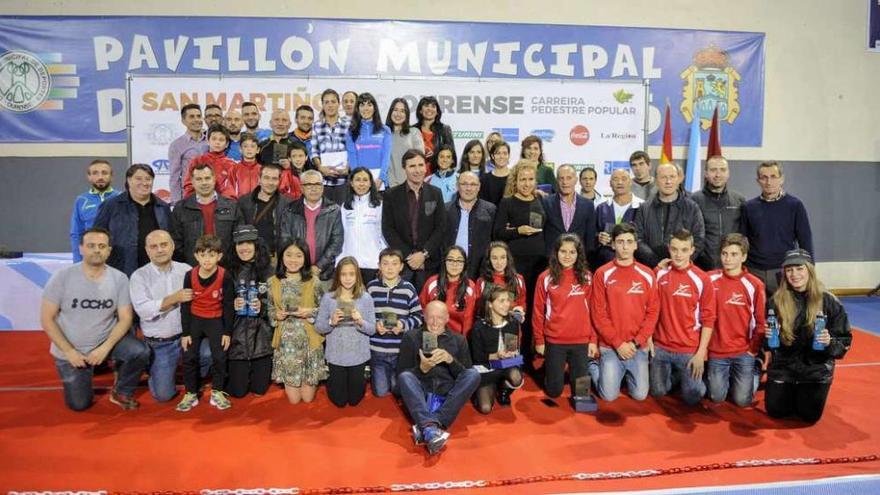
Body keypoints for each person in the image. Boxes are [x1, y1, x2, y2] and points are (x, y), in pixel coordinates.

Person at [40, 227, 149, 411]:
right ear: (81, 248)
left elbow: (125, 318)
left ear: (109, 250)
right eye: (91, 246)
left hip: (104, 343)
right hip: (71, 350)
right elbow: (47, 319)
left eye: (101, 246)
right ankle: (81, 377)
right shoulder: (62, 277)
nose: (97, 250)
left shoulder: (119, 278)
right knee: (79, 404)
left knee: (140, 351)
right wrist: (69, 352)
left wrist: (104, 348)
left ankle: (121, 390)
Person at [764, 249, 852, 423]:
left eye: (799, 268)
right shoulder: (775, 301)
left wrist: (829, 342)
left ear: (809, 270)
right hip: (784, 367)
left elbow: (844, 341)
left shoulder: (828, 301)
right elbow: (770, 346)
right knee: (776, 411)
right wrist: (767, 338)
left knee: (808, 415)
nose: (794, 274)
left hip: (816, 370)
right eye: (789, 270)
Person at [397, 301, 480, 455]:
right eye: (431, 317)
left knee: (473, 374)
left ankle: (428, 426)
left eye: (440, 318)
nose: (435, 323)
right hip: (421, 395)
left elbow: (465, 376)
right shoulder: (411, 337)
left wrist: (450, 360)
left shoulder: (459, 340)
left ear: (447, 318)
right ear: (424, 317)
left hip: (448, 396)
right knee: (405, 376)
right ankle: (432, 428)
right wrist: (422, 369)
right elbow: (400, 380)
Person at [590, 223, 659, 402]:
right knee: (608, 396)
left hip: (637, 347)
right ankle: (593, 366)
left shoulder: (647, 274)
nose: (625, 246)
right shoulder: (602, 274)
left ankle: (622, 372)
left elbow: (652, 313)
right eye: (620, 242)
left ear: (636, 245)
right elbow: (598, 314)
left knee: (640, 395)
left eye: (629, 242)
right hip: (611, 346)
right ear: (612, 245)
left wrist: (636, 343)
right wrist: (618, 343)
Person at [649, 229, 716, 405]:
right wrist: (649, 338)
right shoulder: (659, 274)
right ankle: (678, 375)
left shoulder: (702, 278)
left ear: (692, 250)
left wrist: (701, 353)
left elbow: (709, 318)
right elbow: (648, 309)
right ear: (668, 249)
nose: (678, 255)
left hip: (688, 349)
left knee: (692, 397)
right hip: (661, 347)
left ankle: (696, 379)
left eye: (684, 250)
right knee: (658, 392)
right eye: (674, 249)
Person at [129, 230, 191, 403]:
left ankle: (187, 369)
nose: (160, 250)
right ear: (147, 250)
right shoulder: (139, 276)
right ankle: (154, 366)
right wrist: (175, 298)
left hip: (188, 338)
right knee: (163, 395)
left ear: (172, 247)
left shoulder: (186, 270)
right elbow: (144, 310)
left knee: (209, 354)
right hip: (161, 343)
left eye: (164, 245)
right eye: (154, 246)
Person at [533, 234, 597, 399]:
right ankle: (552, 369)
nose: (567, 256)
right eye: (563, 251)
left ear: (578, 254)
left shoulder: (587, 277)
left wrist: (593, 340)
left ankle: (579, 368)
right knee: (554, 392)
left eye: (572, 252)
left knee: (582, 393)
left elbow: (594, 311)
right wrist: (539, 341)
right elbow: (538, 311)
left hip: (581, 341)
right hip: (555, 340)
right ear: (556, 253)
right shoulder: (545, 278)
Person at [493, 160, 546, 360]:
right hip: (517, 265)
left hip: (539, 265)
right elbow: (497, 232)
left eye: (530, 179)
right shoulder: (507, 202)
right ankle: (513, 355)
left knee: (534, 311)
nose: (526, 183)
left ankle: (529, 354)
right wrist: (518, 231)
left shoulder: (541, 200)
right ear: (515, 181)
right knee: (514, 311)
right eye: (522, 179)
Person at [176, 234, 235, 412]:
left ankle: (217, 391)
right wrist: (185, 333)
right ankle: (191, 392)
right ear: (196, 256)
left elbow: (228, 306)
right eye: (203, 255)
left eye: (211, 255)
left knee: (219, 356)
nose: (207, 259)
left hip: (215, 318)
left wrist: (227, 332)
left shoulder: (225, 276)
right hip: (195, 319)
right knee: (189, 355)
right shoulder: (189, 275)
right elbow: (185, 306)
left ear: (219, 256)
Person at [706, 233, 766, 407]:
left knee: (742, 401)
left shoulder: (755, 284)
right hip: (717, 351)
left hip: (743, 351)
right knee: (716, 397)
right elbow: (687, 273)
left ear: (744, 256)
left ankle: (755, 370)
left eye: (734, 254)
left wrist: (752, 350)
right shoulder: (709, 279)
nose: (728, 259)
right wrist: (663, 266)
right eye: (724, 253)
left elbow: (761, 322)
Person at [742, 161, 814, 297]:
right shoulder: (749, 207)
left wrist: (810, 271)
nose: (769, 182)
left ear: (782, 179)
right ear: (758, 181)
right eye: (764, 177)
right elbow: (743, 241)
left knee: (785, 314)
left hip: (783, 271)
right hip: (753, 271)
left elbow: (805, 240)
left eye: (773, 176)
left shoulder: (795, 205)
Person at [269, 240, 327, 404]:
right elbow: (269, 310)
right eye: (288, 255)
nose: (293, 260)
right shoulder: (273, 281)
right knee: (294, 401)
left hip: (310, 339)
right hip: (286, 343)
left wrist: (309, 312)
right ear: (282, 257)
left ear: (305, 258)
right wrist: (276, 315)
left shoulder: (314, 281)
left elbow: (324, 311)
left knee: (308, 399)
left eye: (298, 255)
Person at [381, 149, 447, 292]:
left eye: (420, 165)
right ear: (404, 168)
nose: (417, 170)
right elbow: (388, 229)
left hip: (429, 264)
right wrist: (410, 257)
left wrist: (423, 255)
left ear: (426, 167)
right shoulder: (391, 195)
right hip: (403, 264)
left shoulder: (436, 193)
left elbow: (441, 227)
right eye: (412, 166)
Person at [315, 257, 377, 408]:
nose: (348, 278)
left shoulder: (366, 298)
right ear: (338, 276)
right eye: (344, 274)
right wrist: (331, 322)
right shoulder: (328, 298)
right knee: (339, 401)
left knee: (355, 400)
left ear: (357, 276)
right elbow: (319, 327)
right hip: (336, 355)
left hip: (358, 355)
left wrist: (361, 321)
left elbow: (372, 330)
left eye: (352, 274)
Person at [93, 164, 172, 277]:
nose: (144, 183)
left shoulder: (163, 207)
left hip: (156, 273)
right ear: (129, 180)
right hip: (120, 271)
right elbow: (96, 237)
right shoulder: (110, 206)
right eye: (138, 179)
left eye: (148, 179)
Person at [367, 248, 425, 398]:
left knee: (397, 390)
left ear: (401, 266)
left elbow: (419, 316)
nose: (390, 268)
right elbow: (365, 315)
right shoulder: (371, 287)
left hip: (399, 350)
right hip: (377, 349)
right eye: (385, 264)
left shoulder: (408, 289)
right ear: (379, 266)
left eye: (394, 264)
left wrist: (403, 325)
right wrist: (375, 325)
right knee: (381, 393)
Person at [226, 225, 274, 398]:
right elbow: (217, 305)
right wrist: (231, 305)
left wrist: (263, 307)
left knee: (259, 390)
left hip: (262, 341)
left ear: (256, 245)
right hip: (236, 340)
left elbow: (279, 307)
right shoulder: (227, 271)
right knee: (237, 392)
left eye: (248, 243)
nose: (244, 247)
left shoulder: (270, 271)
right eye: (239, 243)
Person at [634, 162, 705, 268]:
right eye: (663, 177)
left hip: (682, 270)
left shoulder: (692, 208)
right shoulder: (644, 208)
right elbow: (638, 239)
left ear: (678, 179)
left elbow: (698, 240)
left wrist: (679, 262)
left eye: (672, 177)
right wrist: (655, 263)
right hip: (652, 269)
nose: (668, 182)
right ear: (656, 180)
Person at [171, 163, 241, 267]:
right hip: (192, 269)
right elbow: (176, 242)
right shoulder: (180, 208)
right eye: (199, 179)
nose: (204, 183)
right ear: (192, 182)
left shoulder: (232, 206)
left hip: (226, 269)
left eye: (207, 178)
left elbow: (239, 239)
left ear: (214, 179)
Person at [282, 170, 344, 284]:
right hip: (295, 271)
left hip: (324, 273)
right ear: (301, 188)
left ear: (322, 187)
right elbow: (285, 240)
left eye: (317, 184)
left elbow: (337, 242)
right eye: (309, 185)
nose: (313, 188)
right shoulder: (290, 210)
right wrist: (297, 264)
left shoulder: (333, 210)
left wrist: (318, 267)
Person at [469, 286, 524, 413]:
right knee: (485, 408)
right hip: (486, 369)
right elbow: (477, 357)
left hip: (505, 366)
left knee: (516, 377)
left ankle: (504, 390)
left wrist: (511, 353)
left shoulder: (512, 323)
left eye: (507, 300)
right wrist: (497, 355)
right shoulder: (479, 327)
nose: (507, 304)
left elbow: (512, 347)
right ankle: (488, 388)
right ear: (490, 304)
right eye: (501, 301)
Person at [691, 156, 746, 271]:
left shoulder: (739, 200)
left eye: (722, 170)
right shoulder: (693, 200)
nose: (718, 175)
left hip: (732, 267)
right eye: (713, 170)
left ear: (728, 173)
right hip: (702, 267)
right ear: (705, 173)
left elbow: (744, 236)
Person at [444, 171, 496, 280]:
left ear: (479, 187)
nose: (469, 188)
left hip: (480, 270)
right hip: (449, 269)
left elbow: (494, 240)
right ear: (457, 186)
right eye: (464, 184)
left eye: (473, 184)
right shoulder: (445, 209)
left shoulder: (490, 210)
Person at [339, 167, 387, 282]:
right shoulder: (345, 207)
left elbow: (384, 235)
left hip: (373, 264)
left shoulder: (379, 205)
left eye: (365, 180)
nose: (361, 184)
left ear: (371, 183)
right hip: (350, 264)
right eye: (358, 180)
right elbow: (342, 236)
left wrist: (382, 261)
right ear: (351, 183)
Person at [420, 245, 479, 336]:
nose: (454, 264)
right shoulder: (432, 282)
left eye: (459, 261)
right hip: (431, 335)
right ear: (444, 262)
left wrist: (463, 345)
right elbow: (422, 311)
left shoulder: (470, 286)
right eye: (450, 260)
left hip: (456, 340)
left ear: (465, 264)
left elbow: (468, 321)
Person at [237, 163, 293, 258]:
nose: (270, 183)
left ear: (279, 181)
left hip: (275, 257)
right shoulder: (244, 202)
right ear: (259, 179)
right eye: (266, 178)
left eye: (274, 179)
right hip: (250, 257)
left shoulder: (287, 204)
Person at [70, 159, 120, 262]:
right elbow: (76, 233)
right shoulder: (81, 200)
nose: (100, 177)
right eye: (95, 173)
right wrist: (78, 261)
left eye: (104, 173)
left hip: (118, 258)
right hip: (91, 257)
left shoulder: (122, 198)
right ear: (89, 177)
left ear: (111, 176)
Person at [542, 164, 597, 257]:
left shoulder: (588, 205)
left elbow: (590, 239)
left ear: (575, 180)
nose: (565, 182)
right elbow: (541, 234)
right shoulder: (545, 202)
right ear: (557, 181)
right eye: (561, 178)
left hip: (578, 260)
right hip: (551, 260)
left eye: (569, 178)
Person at [594, 169, 643, 267]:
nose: (620, 182)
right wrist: (598, 237)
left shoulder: (642, 206)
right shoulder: (601, 207)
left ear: (630, 182)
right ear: (610, 183)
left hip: (635, 261)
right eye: (615, 179)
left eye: (624, 179)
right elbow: (593, 232)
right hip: (606, 261)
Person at [311, 89, 351, 205]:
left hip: (344, 180)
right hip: (324, 181)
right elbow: (314, 151)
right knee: (325, 216)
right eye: (326, 102)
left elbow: (353, 150)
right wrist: (320, 167)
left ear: (339, 104)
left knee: (343, 215)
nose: (330, 105)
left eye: (333, 102)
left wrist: (348, 167)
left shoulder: (349, 124)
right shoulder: (317, 126)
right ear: (322, 105)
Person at [346, 92, 392, 189]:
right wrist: (358, 180)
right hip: (360, 183)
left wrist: (380, 178)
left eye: (369, 105)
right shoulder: (351, 131)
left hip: (380, 183)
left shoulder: (385, 130)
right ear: (357, 109)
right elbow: (352, 157)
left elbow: (386, 156)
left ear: (374, 108)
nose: (366, 108)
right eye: (362, 105)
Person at [183, 124, 237, 199]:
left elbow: (233, 189)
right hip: (198, 203)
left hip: (223, 206)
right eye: (214, 139)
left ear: (227, 144)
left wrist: (224, 203)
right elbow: (189, 185)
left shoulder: (232, 165)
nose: (217, 142)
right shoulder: (197, 161)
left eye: (221, 140)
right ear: (208, 141)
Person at [476, 241, 527, 316]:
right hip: (489, 324)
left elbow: (522, 304)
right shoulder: (482, 281)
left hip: (511, 324)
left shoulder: (518, 279)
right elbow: (478, 308)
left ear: (508, 258)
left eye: (503, 257)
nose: (499, 262)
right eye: (494, 258)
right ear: (489, 260)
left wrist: (518, 313)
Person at [168, 103, 206, 202]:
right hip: (189, 196)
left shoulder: (211, 141)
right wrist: (177, 203)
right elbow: (174, 177)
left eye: (199, 116)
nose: (196, 119)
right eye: (191, 117)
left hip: (211, 195)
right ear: (183, 121)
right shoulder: (177, 145)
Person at [385, 97, 424, 189]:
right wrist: (393, 184)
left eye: (402, 111)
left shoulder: (414, 132)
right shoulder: (384, 134)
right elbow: (385, 163)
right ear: (390, 112)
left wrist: (411, 184)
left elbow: (419, 160)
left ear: (406, 114)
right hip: (390, 186)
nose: (398, 114)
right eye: (395, 110)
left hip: (412, 185)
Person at [415, 96, 455, 174]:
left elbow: (451, 155)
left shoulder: (445, 129)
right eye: (426, 106)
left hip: (438, 175)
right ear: (420, 110)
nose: (429, 109)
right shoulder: (413, 130)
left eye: (433, 106)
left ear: (437, 112)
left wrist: (435, 156)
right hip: (417, 173)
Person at [479, 141, 511, 206]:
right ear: (492, 156)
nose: (501, 156)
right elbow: (482, 205)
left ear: (508, 155)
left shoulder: (515, 177)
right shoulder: (484, 179)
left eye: (505, 153)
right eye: (498, 153)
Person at [231, 132, 261, 199]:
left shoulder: (262, 170)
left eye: (252, 146)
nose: (249, 149)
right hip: (239, 206)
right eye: (245, 146)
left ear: (258, 150)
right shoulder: (234, 169)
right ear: (240, 149)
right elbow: (230, 190)